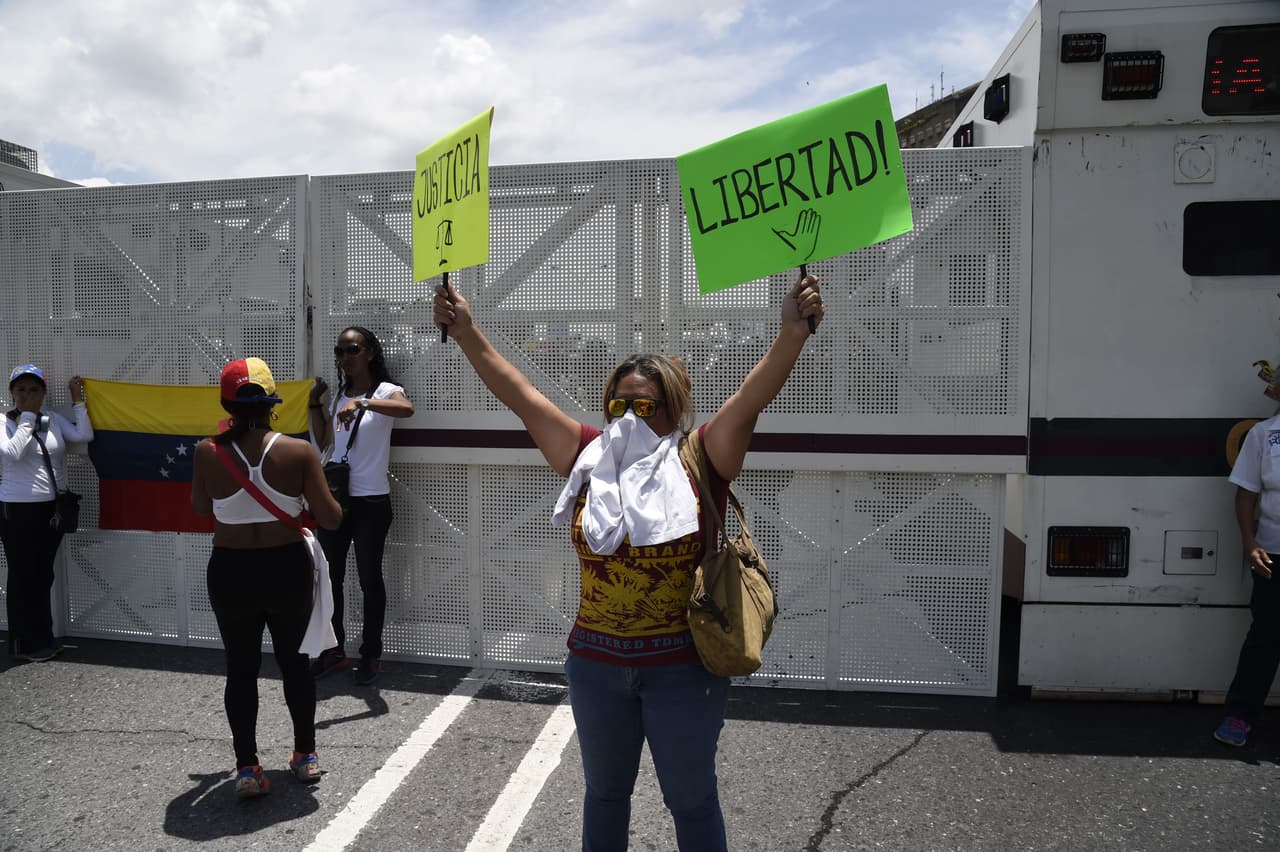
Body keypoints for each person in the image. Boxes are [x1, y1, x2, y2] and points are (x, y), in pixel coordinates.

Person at [434, 272, 824, 851]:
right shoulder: (588, 455)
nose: (629, 416)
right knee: (605, 796)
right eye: (619, 403)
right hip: (596, 667)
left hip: (683, 670)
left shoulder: (701, 456)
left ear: (672, 409)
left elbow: (751, 397)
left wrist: (792, 333)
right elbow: (520, 395)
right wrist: (466, 332)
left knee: (692, 803)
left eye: (645, 405)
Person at [191, 358, 343, 798]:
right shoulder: (297, 451)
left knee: (240, 669)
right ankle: (305, 756)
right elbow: (330, 518)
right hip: (285, 569)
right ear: (272, 402)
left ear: (226, 403)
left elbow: (201, 508)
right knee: (295, 664)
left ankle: (247, 768)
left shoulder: (207, 451)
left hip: (231, 571)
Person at [307, 327, 415, 685]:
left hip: (371, 500)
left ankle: (371, 655)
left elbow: (406, 408)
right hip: (337, 498)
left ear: (369, 353)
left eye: (351, 350)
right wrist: (315, 404)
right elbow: (325, 441)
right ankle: (334, 652)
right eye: (339, 351)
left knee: (370, 578)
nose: (344, 358)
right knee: (330, 578)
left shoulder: (384, 392)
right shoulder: (340, 394)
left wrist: (363, 402)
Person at [0, 365, 92, 662]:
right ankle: (22, 643)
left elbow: (83, 435)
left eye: (34, 390)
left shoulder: (51, 419)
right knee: (23, 575)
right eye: (21, 390)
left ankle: (43, 637)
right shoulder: (3, 421)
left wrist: (78, 401)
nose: (27, 395)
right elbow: (12, 453)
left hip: (51, 508)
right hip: (17, 507)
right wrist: (27, 417)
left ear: (43, 393)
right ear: (11, 392)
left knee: (43, 574)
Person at [1214, 413, 1280, 747]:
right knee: (1265, 638)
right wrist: (1250, 543)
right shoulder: (1263, 434)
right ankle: (1239, 715)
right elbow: (1245, 496)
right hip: (1273, 553)